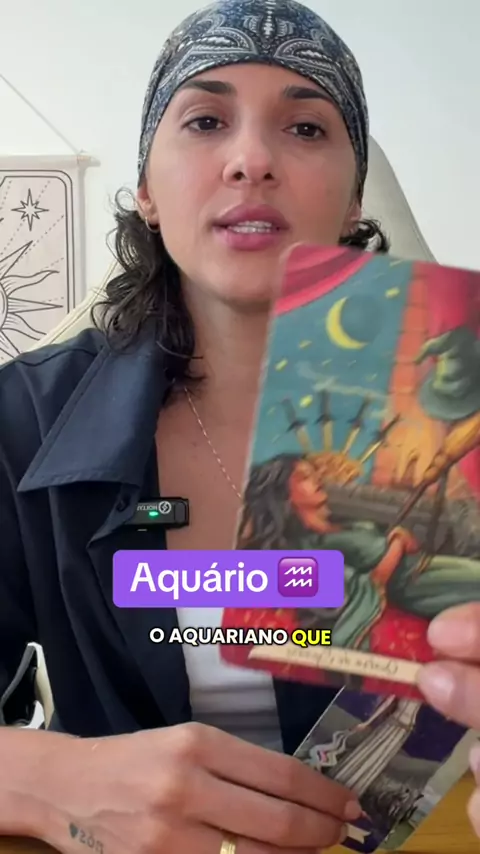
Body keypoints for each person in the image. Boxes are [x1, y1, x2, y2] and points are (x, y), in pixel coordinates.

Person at [0, 1, 479, 852]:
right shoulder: (23, 418)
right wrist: (50, 779)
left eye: (305, 127)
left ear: (355, 195)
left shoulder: (455, 423)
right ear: (147, 190)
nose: (251, 159)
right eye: (205, 121)